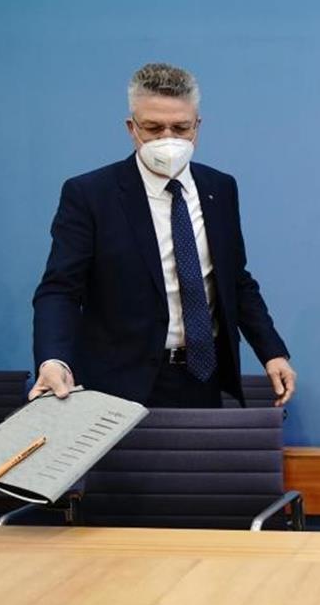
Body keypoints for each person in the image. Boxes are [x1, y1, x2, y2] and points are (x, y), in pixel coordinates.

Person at [30, 62, 296, 408]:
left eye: (180, 127)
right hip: (116, 382)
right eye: (154, 128)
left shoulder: (220, 188)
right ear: (132, 128)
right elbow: (60, 289)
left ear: (197, 127)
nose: (167, 139)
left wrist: (272, 351)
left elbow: (236, 280)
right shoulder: (91, 194)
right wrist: (53, 359)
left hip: (202, 375)